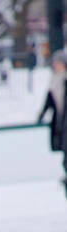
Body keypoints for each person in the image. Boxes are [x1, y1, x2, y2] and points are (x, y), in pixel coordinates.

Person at [37, 50, 67, 193]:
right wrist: (41, 114)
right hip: (60, 122)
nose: (55, 65)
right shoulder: (54, 80)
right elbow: (49, 100)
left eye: (58, 63)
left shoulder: (64, 80)